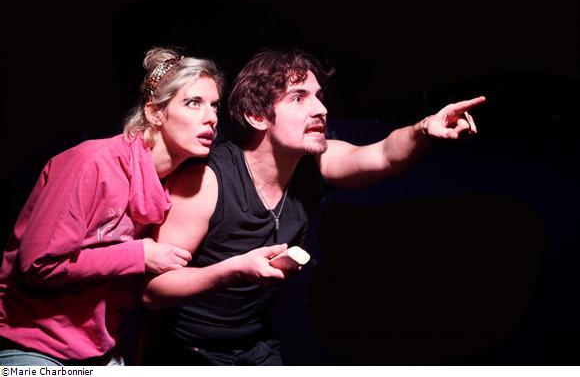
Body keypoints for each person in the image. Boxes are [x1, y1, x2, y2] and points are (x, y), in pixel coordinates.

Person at [142, 49, 486, 365]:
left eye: (319, 96)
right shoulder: (207, 180)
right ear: (257, 116)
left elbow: (384, 154)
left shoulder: (316, 164)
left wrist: (424, 129)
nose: (320, 109)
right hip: (186, 351)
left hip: (254, 346)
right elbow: (153, 291)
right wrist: (234, 270)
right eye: (298, 97)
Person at [0, 48, 288, 366]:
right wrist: (140, 254)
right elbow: (37, 265)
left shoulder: (172, 184)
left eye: (214, 105)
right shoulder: (92, 163)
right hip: (34, 347)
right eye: (194, 102)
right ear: (154, 113)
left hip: (104, 351)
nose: (211, 117)